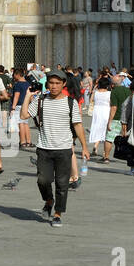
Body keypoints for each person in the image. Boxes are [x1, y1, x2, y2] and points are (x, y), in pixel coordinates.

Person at [23, 71, 89, 228]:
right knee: (43, 180)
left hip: (64, 149)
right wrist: (27, 96)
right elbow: (24, 114)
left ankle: (58, 213)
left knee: (62, 183)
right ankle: (49, 200)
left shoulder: (70, 103)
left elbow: (77, 125)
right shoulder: (40, 100)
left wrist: (85, 147)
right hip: (44, 148)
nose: (54, 86)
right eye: (51, 83)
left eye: (57, 83)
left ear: (63, 84)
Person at [88, 75, 115, 160]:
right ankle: (104, 152)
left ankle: (95, 147)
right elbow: (111, 103)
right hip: (106, 111)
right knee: (105, 131)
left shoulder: (96, 92)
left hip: (97, 112)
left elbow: (91, 100)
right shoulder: (109, 93)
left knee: (97, 128)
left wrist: (94, 89)